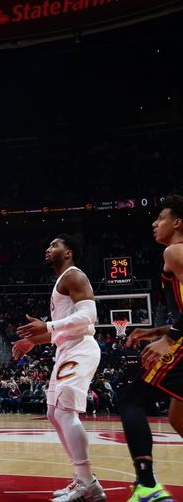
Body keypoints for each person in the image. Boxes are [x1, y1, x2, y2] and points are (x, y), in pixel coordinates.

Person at [13, 234, 106, 502]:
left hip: (80, 348)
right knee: (54, 413)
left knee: (65, 413)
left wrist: (48, 326)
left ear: (68, 253)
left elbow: (89, 317)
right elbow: (64, 328)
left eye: (55, 244)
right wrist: (32, 340)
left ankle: (87, 482)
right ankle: (84, 481)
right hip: (67, 348)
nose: (48, 247)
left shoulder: (73, 276)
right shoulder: (60, 281)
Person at [116, 194, 183, 502]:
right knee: (177, 417)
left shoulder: (175, 251)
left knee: (131, 400)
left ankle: (147, 487)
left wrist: (169, 339)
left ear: (177, 223)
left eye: (161, 218)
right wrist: (157, 330)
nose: (155, 223)